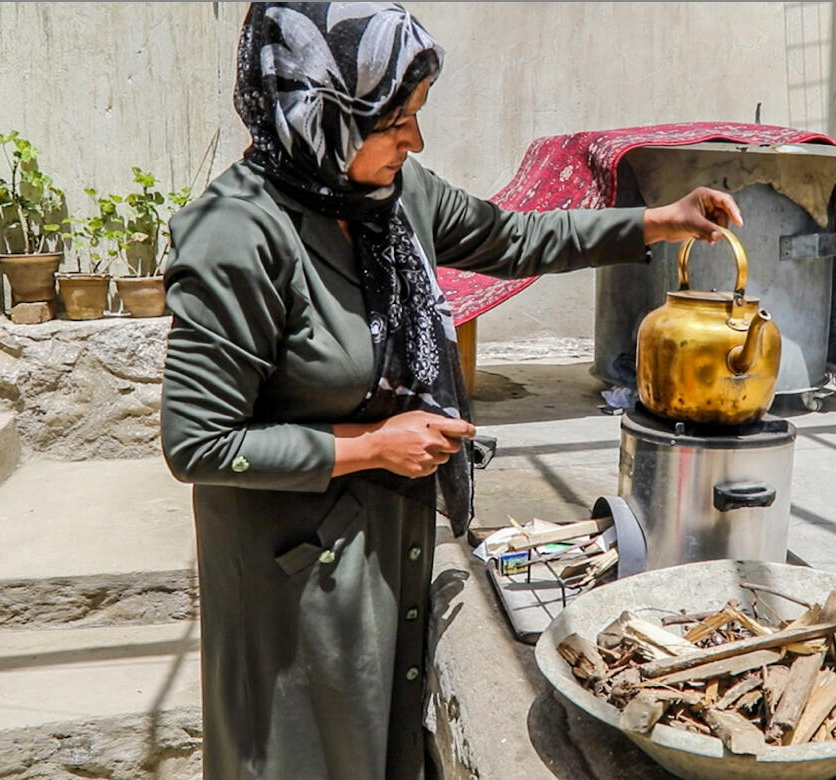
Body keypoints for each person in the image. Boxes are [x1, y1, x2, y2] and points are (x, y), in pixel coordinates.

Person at [160, 3, 743, 778]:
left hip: (383, 549)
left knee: (385, 745)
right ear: (319, 110)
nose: (416, 139)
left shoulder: (394, 200)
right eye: (396, 120)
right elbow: (199, 442)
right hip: (291, 580)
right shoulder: (237, 235)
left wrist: (658, 221)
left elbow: (512, 237)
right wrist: (372, 444)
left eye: (416, 116)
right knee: (298, 754)